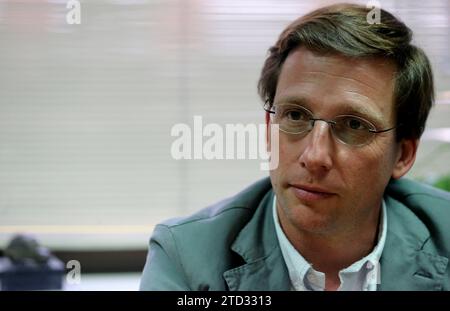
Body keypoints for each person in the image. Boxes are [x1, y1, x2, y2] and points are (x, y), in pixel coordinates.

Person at [140, 3, 450, 291]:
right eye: (296, 116)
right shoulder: (186, 258)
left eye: (354, 125)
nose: (315, 156)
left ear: (404, 154)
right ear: (268, 129)